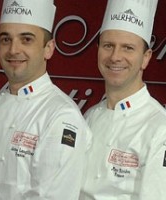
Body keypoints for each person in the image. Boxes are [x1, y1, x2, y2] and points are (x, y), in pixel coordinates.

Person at [0, 0, 91, 199]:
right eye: (6, 39)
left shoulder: (62, 117)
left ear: (48, 48)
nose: (13, 50)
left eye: (26, 39)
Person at [79, 0, 166, 199]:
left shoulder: (160, 129)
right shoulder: (89, 117)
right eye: (108, 45)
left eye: (128, 48)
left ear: (146, 57)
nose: (115, 56)